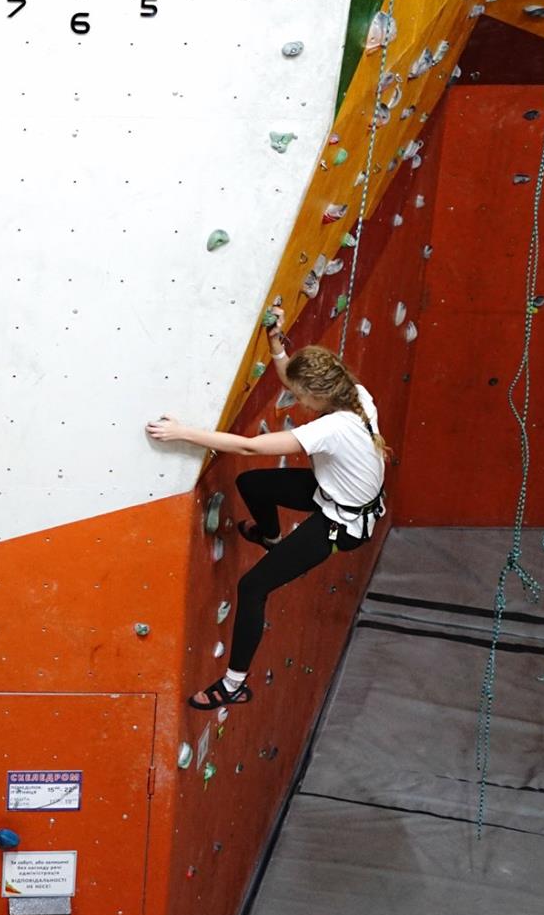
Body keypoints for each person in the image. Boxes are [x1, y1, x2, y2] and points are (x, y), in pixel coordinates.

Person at [145, 304, 389, 709]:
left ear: (316, 397)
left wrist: (182, 433)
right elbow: (293, 377)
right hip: (337, 494)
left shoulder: (330, 428)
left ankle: (233, 684)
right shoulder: (355, 394)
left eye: (299, 396)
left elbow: (249, 446)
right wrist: (276, 342)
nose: (296, 401)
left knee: (253, 587)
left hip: (339, 525)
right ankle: (273, 539)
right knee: (252, 485)